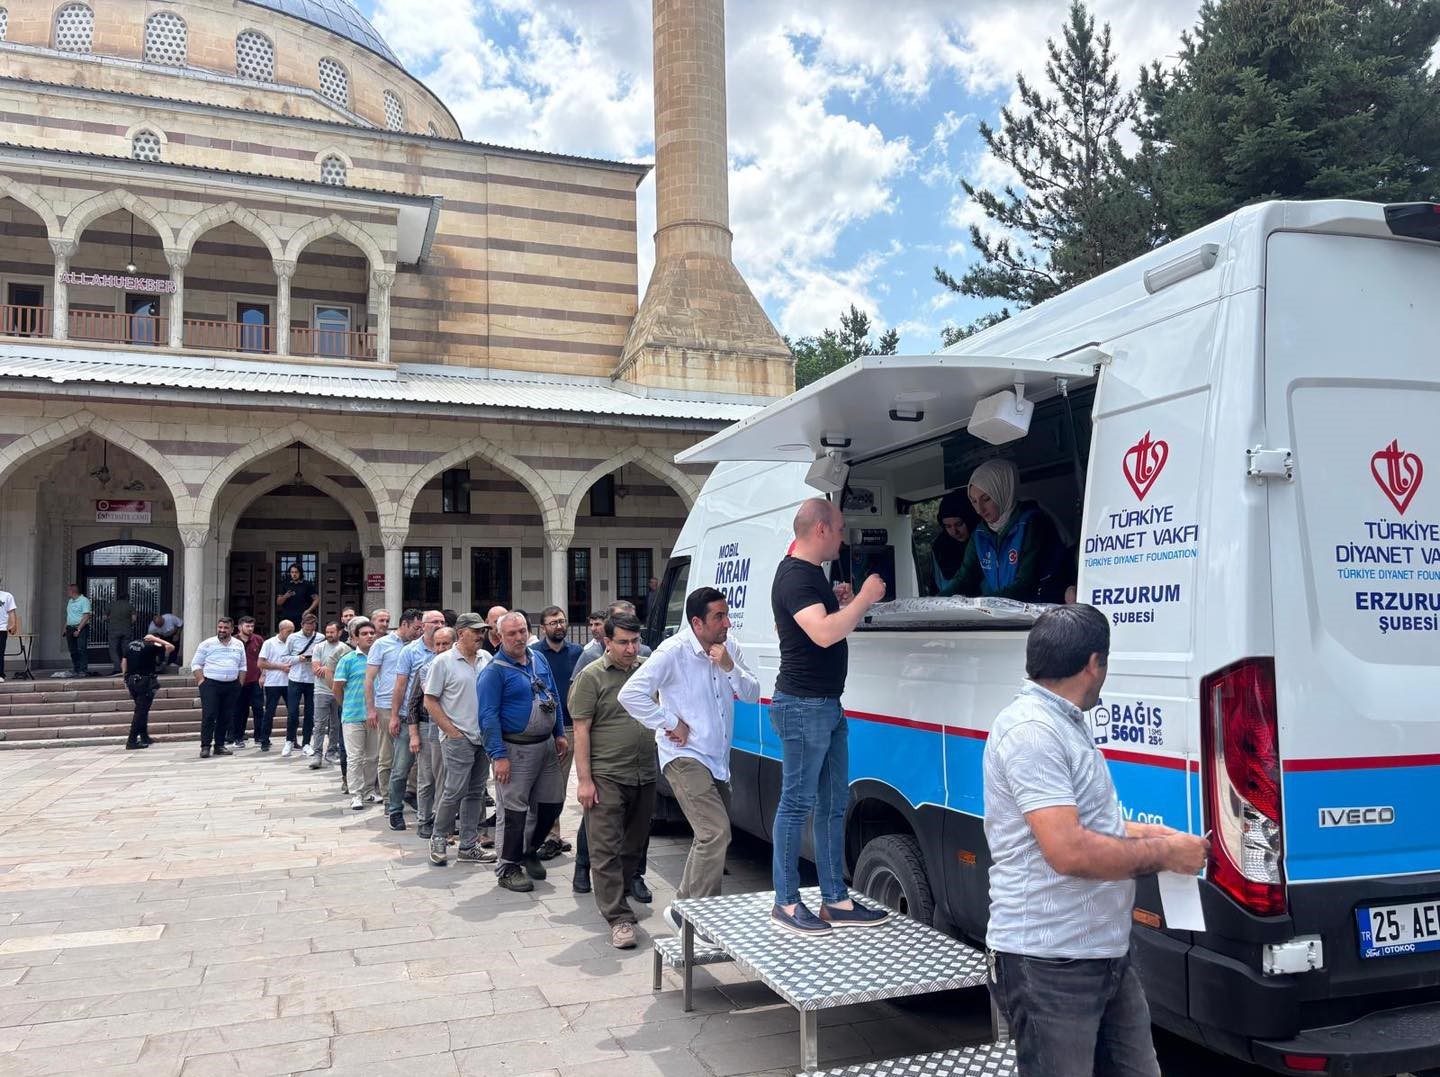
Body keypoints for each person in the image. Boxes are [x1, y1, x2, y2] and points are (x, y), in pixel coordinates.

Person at [984, 604, 1209, 1077]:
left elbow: (1086, 823)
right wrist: (1164, 853)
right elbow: (1068, 850)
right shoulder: (1032, 732)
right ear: (1093, 663)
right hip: (1050, 964)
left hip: (1104, 955)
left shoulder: (1065, 721)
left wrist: (1150, 833)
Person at [770, 497, 890, 935]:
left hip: (824, 705)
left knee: (833, 804)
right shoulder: (796, 577)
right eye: (839, 528)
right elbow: (823, 634)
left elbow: (824, 620)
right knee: (798, 803)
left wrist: (840, 601)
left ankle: (834, 900)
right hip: (803, 707)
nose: (844, 536)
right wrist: (863, 599)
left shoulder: (810, 578)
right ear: (820, 529)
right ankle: (785, 902)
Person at [619, 587, 759, 932]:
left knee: (709, 836)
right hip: (683, 757)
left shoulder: (731, 647)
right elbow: (630, 694)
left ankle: (683, 908)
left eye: (727, 614)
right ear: (697, 622)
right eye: (719, 617)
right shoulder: (673, 651)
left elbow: (753, 694)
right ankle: (702, 919)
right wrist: (669, 722)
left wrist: (729, 667)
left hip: (717, 760)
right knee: (715, 832)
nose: (727, 623)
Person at [569, 612, 653, 949]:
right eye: (623, 642)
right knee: (604, 849)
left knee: (634, 845)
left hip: (644, 773)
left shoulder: (648, 669)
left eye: (635, 641)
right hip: (606, 775)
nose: (631, 649)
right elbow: (580, 730)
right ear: (607, 642)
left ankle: (622, 895)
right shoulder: (591, 677)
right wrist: (584, 781)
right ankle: (618, 917)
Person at [478, 611, 567, 892]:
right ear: (499, 637)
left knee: (553, 803)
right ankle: (508, 868)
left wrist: (559, 733)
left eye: (522, 631)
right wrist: (498, 756)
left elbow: (552, 695)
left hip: (546, 746)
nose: (518, 637)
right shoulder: (494, 672)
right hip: (515, 750)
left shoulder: (537, 658)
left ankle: (529, 849)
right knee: (514, 811)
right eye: (511, 634)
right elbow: (487, 717)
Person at [939, 459, 1068, 603]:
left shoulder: (1032, 523)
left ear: (1003, 491)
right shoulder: (980, 534)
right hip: (1005, 614)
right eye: (974, 501)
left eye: (986, 499)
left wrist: (983, 603)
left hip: (1040, 612)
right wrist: (935, 602)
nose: (979, 509)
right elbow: (965, 577)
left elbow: (1026, 584)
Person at [425, 614, 494, 866]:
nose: (480, 635)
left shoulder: (486, 658)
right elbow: (429, 700)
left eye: (483, 631)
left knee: (476, 792)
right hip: (458, 737)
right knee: (454, 791)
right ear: (460, 632)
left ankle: (468, 845)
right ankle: (438, 838)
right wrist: (451, 731)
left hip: (482, 737)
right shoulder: (443, 662)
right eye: (476, 631)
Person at [386, 610, 446, 830]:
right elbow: (401, 685)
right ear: (423, 626)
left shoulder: (449, 648)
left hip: (441, 720)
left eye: (442, 621)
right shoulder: (410, 651)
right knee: (402, 767)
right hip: (411, 717)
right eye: (434, 622)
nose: (439, 625)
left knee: (432, 773)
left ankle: (434, 814)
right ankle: (394, 810)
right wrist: (394, 716)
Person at [532, 606, 583, 861]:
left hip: (571, 727)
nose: (558, 626)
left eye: (562, 621)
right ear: (543, 627)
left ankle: (552, 836)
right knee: (545, 786)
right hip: (543, 729)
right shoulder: (534, 655)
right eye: (553, 623)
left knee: (559, 786)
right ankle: (549, 835)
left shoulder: (577, 652)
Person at [367, 608, 420, 799]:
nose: (418, 632)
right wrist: (371, 709)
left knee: (412, 755)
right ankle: (388, 797)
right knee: (387, 755)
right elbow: (369, 678)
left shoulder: (416, 646)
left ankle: (409, 793)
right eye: (415, 628)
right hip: (386, 706)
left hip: (410, 707)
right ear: (404, 624)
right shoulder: (382, 644)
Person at [413, 625, 456, 838]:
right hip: (434, 728)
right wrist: (413, 733)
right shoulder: (426, 668)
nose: (440, 648)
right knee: (431, 778)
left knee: (450, 779)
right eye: (437, 644)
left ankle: (445, 822)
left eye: (445, 644)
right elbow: (424, 699)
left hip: (460, 728)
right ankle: (426, 820)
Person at [333, 620, 379, 809]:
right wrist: (345, 705)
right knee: (355, 757)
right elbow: (337, 687)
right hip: (352, 715)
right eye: (365, 633)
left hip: (375, 715)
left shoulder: (379, 658)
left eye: (371, 633)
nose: (369, 636)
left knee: (372, 757)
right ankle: (356, 793)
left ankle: (369, 791)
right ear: (355, 639)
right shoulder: (348, 659)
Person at [192, 617, 246, 758]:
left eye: (225, 628)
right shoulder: (207, 644)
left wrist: (239, 684)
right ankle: (205, 746)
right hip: (211, 684)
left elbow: (242, 666)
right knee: (209, 715)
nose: (222, 630)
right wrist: (201, 682)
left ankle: (219, 745)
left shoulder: (239, 644)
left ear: (232, 629)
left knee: (225, 716)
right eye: (220, 627)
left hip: (231, 685)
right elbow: (196, 664)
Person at [307, 619, 350, 772]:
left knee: (336, 724)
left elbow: (343, 670)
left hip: (339, 690)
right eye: (327, 632)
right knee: (319, 724)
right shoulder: (319, 647)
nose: (329, 635)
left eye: (332, 632)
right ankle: (317, 753)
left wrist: (327, 668)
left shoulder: (345, 648)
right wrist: (330, 668)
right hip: (321, 691)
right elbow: (315, 669)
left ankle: (331, 751)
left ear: (340, 632)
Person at [121, 631, 173, 749]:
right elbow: (170, 647)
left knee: (142, 709)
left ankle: (144, 736)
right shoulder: (152, 646)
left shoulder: (131, 644)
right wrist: (157, 640)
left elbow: (124, 661)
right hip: (145, 681)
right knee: (141, 712)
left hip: (131, 680)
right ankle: (132, 740)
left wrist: (125, 678)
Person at [931, 488, 981, 592]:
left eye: (959, 524)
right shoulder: (939, 548)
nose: (954, 531)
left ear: (969, 519)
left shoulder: (983, 541)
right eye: (948, 526)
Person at [285, 613, 320, 755]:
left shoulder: (320, 637)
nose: (309, 627)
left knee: (310, 712)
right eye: (307, 624)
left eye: (312, 625)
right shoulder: (292, 638)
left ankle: (306, 742)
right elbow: (285, 657)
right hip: (296, 677)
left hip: (312, 679)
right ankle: (290, 740)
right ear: (302, 624)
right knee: (292, 712)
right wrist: (298, 659)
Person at [256, 620, 294, 753]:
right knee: (269, 712)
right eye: (289, 631)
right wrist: (280, 667)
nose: (291, 634)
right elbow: (261, 663)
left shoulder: (294, 643)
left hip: (291, 682)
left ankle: (292, 740)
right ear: (281, 630)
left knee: (293, 713)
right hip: (273, 683)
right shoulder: (269, 643)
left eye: (292, 631)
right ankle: (264, 740)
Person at [229, 616, 264, 748]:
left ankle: (259, 737)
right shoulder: (233, 641)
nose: (250, 628)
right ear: (240, 627)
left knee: (258, 709)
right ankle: (238, 737)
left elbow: (264, 658)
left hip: (255, 679)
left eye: (252, 626)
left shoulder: (258, 640)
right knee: (239, 710)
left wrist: (263, 675)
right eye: (247, 626)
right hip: (239, 681)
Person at [276, 562, 318, 629]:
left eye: (296, 572)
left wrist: (309, 610)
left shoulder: (307, 585)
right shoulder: (285, 585)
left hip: (303, 617)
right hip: (287, 617)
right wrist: (285, 596)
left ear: (300, 573)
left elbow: (316, 599)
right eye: (292, 572)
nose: (294, 574)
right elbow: (278, 602)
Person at [61, 583, 91, 678]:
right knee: (73, 650)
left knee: (81, 649)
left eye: (68, 590)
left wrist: (78, 629)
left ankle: (83, 670)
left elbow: (86, 616)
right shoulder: (70, 601)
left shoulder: (84, 600)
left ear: (72, 591)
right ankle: (76, 669)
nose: (67, 592)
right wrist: (65, 628)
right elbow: (69, 616)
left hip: (80, 627)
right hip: (70, 628)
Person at [106, 593, 134, 677]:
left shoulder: (111, 605)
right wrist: (129, 624)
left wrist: (110, 621)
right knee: (126, 649)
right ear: (127, 598)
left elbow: (104, 617)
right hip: (126, 630)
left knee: (113, 649)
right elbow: (134, 619)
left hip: (114, 630)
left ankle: (117, 669)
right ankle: (126, 668)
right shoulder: (129, 606)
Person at [572, 611, 607, 677]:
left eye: (597, 624)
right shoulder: (586, 649)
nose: (593, 628)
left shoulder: (614, 645)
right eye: (591, 625)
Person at [0, 579, 18, 683]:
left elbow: (11, 612)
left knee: (0, 652)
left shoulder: (7, 596)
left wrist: (13, 624)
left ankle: (0, 674)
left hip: (1, 628)